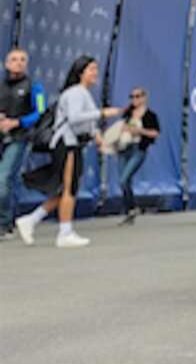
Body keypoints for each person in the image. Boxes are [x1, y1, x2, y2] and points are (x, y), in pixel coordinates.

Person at [15, 56, 121, 248]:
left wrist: (97, 137)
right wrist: (102, 113)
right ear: (80, 72)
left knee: (66, 188)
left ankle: (31, 220)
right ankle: (64, 233)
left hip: (72, 144)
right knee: (69, 188)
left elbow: (86, 124)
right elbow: (74, 118)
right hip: (66, 144)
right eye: (91, 69)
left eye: (96, 69)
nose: (95, 73)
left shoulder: (83, 93)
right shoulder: (75, 93)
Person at [0, 48, 46, 240]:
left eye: (22, 60)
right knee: (10, 182)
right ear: (6, 64)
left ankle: (4, 224)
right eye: (14, 59)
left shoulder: (35, 86)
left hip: (19, 138)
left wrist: (18, 122)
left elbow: (41, 112)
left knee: (3, 179)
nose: (18, 62)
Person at [116, 87, 160, 226]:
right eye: (132, 96)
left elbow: (155, 133)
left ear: (144, 98)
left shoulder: (150, 115)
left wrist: (140, 131)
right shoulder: (128, 113)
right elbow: (121, 127)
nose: (134, 99)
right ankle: (129, 210)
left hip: (138, 149)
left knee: (124, 178)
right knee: (124, 181)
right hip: (124, 148)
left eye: (137, 96)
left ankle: (132, 207)